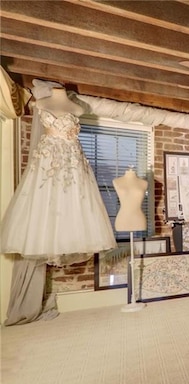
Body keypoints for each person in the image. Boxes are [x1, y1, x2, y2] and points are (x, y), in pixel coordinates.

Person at [0, 84, 116, 266]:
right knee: (44, 198)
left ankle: (68, 240)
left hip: (72, 159)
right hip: (48, 157)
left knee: (75, 200)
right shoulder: (41, 103)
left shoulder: (77, 108)